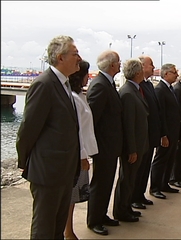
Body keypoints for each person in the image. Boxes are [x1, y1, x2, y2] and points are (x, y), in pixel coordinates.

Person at [16, 35, 82, 239]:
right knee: (44, 229)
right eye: (75, 53)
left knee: (57, 229)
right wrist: (25, 161)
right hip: (48, 172)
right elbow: (28, 129)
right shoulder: (44, 85)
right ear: (60, 58)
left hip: (63, 171)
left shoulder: (64, 84)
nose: (79, 58)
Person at [86, 50, 123, 235]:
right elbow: (92, 118)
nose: (120, 64)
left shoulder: (108, 84)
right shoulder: (100, 85)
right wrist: (94, 146)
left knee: (107, 182)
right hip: (103, 146)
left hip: (111, 145)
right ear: (111, 65)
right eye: (118, 61)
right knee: (100, 183)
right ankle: (94, 220)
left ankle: (102, 214)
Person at [64, 60, 98, 240]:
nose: (88, 78)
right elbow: (76, 130)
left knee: (74, 196)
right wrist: (83, 156)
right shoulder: (74, 98)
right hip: (78, 154)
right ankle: (68, 231)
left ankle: (68, 229)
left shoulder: (80, 95)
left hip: (82, 152)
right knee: (70, 196)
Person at [113, 58, 149, 222]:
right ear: (136, 73)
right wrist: (132, 149)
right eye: (141, 69)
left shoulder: (135, 90)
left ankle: (127, 207)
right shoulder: (127, 92)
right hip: (133, 146)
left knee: (131, 179)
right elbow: (128, 124)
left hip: (140, 143)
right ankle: (121, 211)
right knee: (126, 179)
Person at [131, 55, 161, 210]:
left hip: (150, 135)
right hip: (142, 136)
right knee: (137, 170)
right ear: (142, 66)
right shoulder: (138, 86)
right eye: (151, 65)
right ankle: (133, 197)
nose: (154, 67)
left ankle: (140, 194)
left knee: (145, 168)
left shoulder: (148, 85)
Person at [149, 63, 181, 199]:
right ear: (166, 74)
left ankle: (165, 183)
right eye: (174, 72)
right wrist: (163, 134)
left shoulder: (170, 89)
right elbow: (160, 114)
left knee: (170, 158)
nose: (176, 74)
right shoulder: (160, 90)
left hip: (173, 131)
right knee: (161, 159)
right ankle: (155, 187)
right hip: (166, 132)